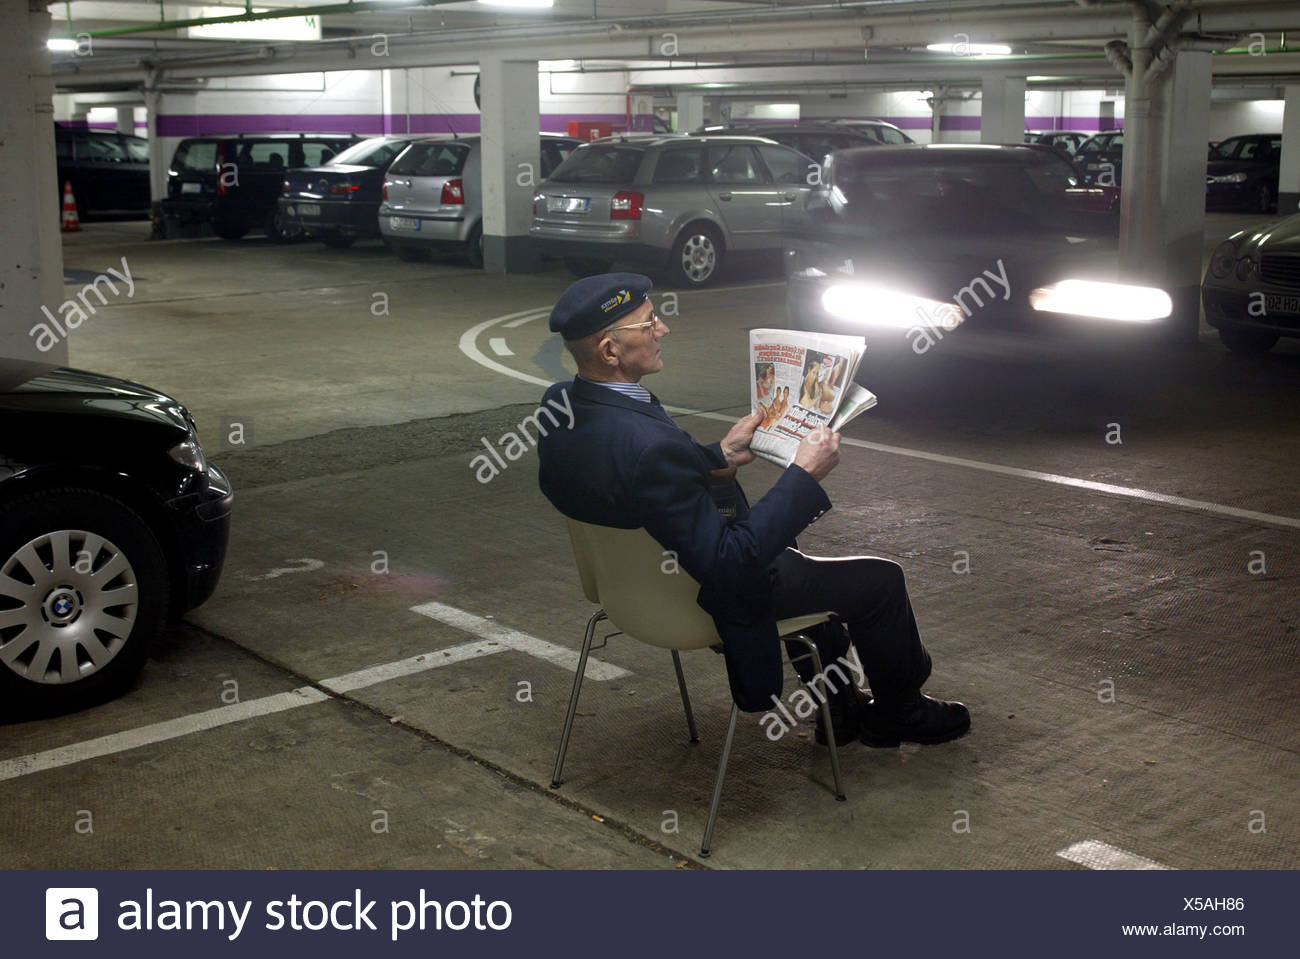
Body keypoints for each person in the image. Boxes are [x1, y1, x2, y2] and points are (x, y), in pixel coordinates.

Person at [536, 273, 969, 747]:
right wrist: (803, 477)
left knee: (792, 558)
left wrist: (715, 458)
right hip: (694, 600)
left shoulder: (562, 404)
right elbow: (729, 562)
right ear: (610, 351)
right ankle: (899, 711)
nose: (663, 331)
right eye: (649, 323)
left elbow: (631, 482)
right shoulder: (647, 444)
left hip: (627, 593)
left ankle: (839, 707)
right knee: (880, 581)